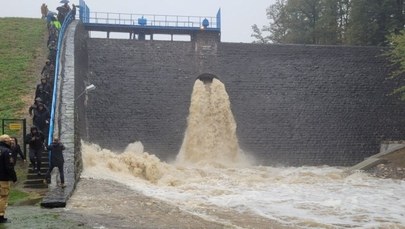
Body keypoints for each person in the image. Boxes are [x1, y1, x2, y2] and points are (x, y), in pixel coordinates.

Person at [0, 135, 17, 223]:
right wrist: (14, 177)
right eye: (9, 140)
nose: (11, 141)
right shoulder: (7, 151)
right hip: (3, 178)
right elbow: (9, 167)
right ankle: (1, 216)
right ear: (6, 141)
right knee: (3, 196)